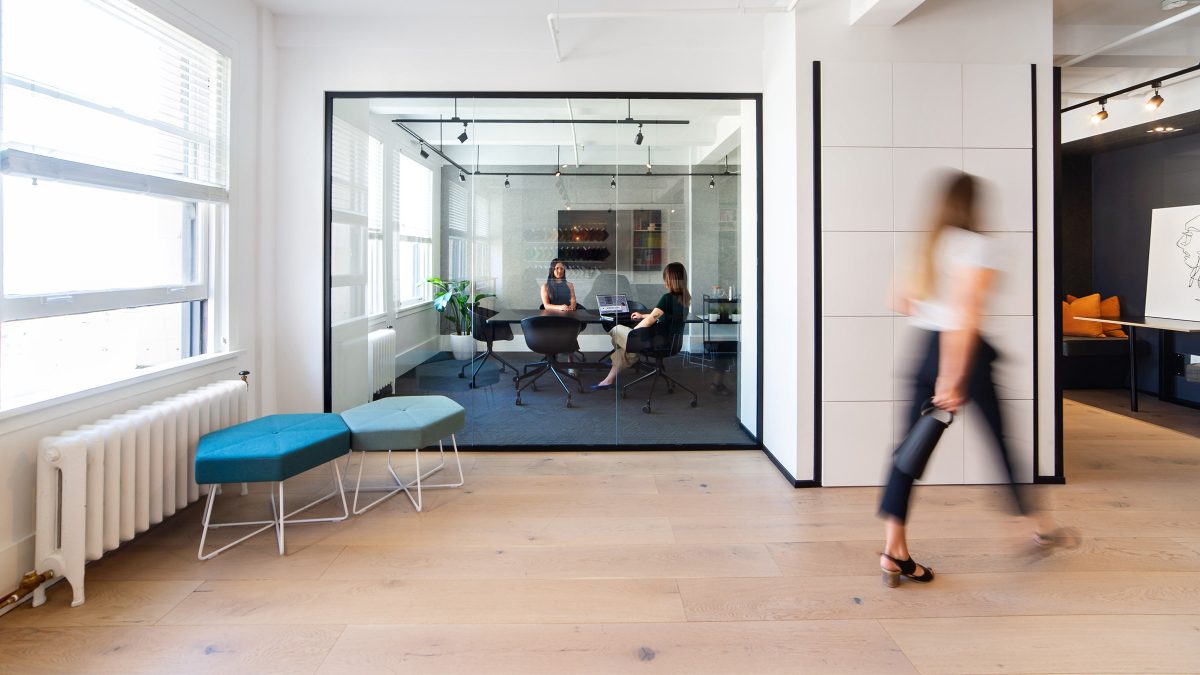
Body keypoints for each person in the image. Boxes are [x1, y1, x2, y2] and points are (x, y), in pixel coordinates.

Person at [879, 172, 1053, 588]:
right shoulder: (978, 246)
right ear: (974, 204)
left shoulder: (932, 243)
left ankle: (893, 550)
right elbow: (968, 314)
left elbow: (900, 299)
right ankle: (1031, 525)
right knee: (999, 438)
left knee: (908, 451)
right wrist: (951, 375)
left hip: (923, 347)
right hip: (961, 354)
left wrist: (932, 323)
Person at [591, 262, 690, 391]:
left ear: (670, 280)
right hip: (672, 343)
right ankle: (607, 381)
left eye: (665, 278)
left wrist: (633, 333)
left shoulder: (667, 298)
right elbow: (660, 316)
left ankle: (624, 347)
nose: (664, 281)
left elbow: (650, 321)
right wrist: (643, 316)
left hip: (657, 342)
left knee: (616, 329)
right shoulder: (684, 299)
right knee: (629, 352)